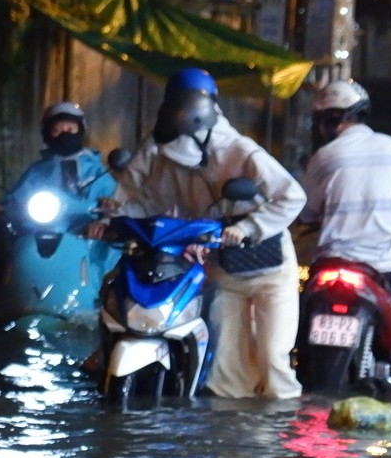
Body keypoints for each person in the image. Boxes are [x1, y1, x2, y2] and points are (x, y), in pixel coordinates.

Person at [96, 67, 307, 399]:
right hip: (220, 267)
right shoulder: (168, 148)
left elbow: (292, 196)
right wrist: (114, 215)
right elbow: (151, 199)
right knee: (225, 371)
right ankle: (229, 441)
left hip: (268, 266)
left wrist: (247, 227)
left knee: (273, 359)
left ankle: (273, 443)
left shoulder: (240, 151)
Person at [298, 79, 391, 385]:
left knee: (298, 333)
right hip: (384, 266)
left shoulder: (323, 158)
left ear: (327, 121)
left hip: (330, 265)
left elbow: (305, 212)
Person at [0, 101, 119, 296]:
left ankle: (104, 293)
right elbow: (16, 198)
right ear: (47, 135)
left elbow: (113, 202)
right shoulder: (38, 171)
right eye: (57, 130)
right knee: (0, 229)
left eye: (70, 128)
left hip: (85, 236)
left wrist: (105, 217)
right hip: (42, 230)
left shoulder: (97, 171)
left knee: (121, 241)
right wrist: (1, 209)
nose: (65, 134)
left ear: (81, 130)